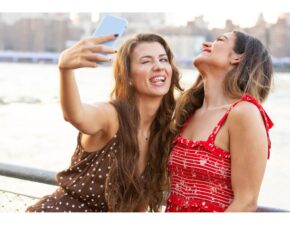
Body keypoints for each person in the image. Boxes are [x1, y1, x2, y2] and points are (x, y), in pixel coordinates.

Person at [26, 33, 182, 212]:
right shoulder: (111, 115)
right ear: (128, 76)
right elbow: (75, 115)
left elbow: (139, 204)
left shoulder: (163, 131)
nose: (158, 67)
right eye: (146, 61)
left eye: (163, 59)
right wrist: (65, 69)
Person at [165, 30, 274, 212]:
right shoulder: (189, 112)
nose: (205, 45)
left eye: (219, 40)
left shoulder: (243, 113)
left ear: (238, 58)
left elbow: (246, 203)